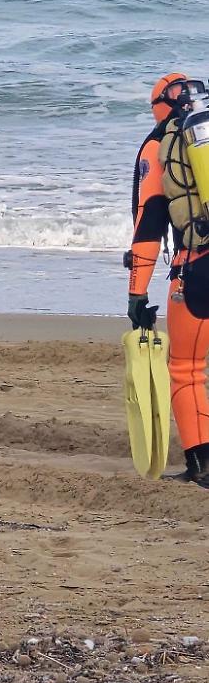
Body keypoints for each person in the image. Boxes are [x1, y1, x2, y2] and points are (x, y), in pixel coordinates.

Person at [126, 71, 209, 488]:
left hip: (197, 269)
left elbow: (149, 224)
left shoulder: (161, 145)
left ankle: (202, 466)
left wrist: (136, 295)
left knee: (186, 369)